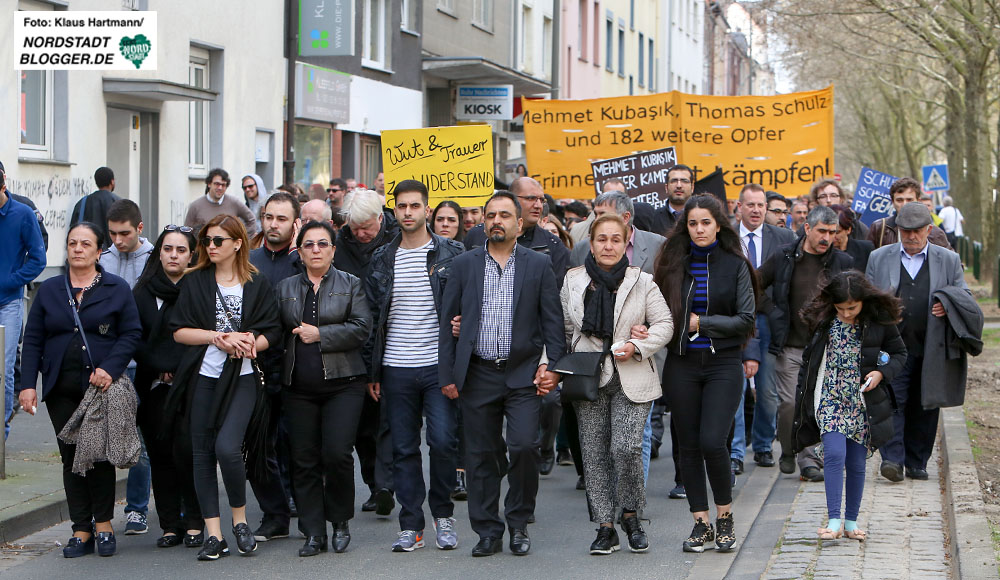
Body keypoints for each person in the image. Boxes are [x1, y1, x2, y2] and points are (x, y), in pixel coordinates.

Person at [438, 191, 565, 557]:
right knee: (480, 454)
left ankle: (519, 522)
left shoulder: (537, 265)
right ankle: (487, 531)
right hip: (478, 374)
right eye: (491, 215)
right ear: (483, 222)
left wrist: (553, 367)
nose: (497, 220)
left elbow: (552, 323)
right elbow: (448, 323)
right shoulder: (464, 265)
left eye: (505, 215)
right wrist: (448, 374)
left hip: (522, 373)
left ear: (519, 224)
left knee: (524, 446)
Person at [18, 222, 141, 557]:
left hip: (99, 388)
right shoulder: (50, 289)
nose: (77, 249)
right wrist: (27, 385)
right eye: (72, 243)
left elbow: (131, 333)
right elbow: (33, 339)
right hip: (60, 387)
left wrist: (110, 368)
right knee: (71, 457)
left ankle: (104, 524)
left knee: (97, 456)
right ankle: (81, 529)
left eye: (85, 244)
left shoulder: (116, 288)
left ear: (99, 251)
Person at [169, 214, 281, 560]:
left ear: (237, 243)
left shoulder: (256, 283)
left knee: (228, 448)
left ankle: (240, 521)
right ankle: (214, 535)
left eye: (218, 240)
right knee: (202, 452)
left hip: (243, 377)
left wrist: (251, 344)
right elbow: (179, 331)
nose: (211, 246)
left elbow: (272, 330)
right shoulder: (195, 281)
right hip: (204, 377)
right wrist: (217, 337)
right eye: (207, 241)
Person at [561, 214, 673, 555]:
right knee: (594, 453)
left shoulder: (643, 281)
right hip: (588, 376)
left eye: (615, 239)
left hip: (631, 374)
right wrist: (560, 364)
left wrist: (638, 343)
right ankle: (605, 528)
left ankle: (631, 515)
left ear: (625, 243)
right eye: (601, 239)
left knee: (625, 447)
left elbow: (664, 324)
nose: (608, 246)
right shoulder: (573, 280)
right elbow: (563, 329)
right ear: (591, 244)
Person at [652, 194, 759, 553]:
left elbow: (746, 320)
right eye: (693, 223)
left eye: (706, 223)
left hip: (723, 363)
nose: (699, 229)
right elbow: (658, 311)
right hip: (682, 363)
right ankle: (701, 522)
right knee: (688, 446)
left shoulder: (735, 264)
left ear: (718, 225)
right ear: (686, 227)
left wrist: (703, 323)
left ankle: (725, 516)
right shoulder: (671, 263)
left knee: (713, 441)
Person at [364, 180, 465, 552]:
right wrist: (373, 372)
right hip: (396, 366)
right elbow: (372, 318)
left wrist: (462, 325)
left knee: (443, 442)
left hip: (439, 366)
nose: (408, 212)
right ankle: (411, 525)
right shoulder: (381, 258)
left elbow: (470, 302)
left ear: (427, 210)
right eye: (402, 206)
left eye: (414, 206)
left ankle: (443, 515)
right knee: (403, 448)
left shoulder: (452, 253)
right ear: (394, 211)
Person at [866, 202, 982, 482]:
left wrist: (948, 304)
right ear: (898, 230)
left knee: (925, 404)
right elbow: (865, 296)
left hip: (931, 345)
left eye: (917, 231)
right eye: (905, 231)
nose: (911, 236)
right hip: (892, 346)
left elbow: (964, 296)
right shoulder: (879, 257)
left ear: (929, 230)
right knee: (892, 400)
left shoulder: (948, 259)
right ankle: (893, 460)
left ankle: (917, 461)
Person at [276, 220, 371, 556]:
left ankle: (340, 520)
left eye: (322, 244)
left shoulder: (351, 283)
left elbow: (362, 328)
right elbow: (274, 331)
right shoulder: (285, 288)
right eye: (309, 245)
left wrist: (320, 334)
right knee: (303, 459)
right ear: (299, 252)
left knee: (337, 454)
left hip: (344, 384)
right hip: (298, 388)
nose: (315, 250)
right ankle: (313, 532)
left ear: (333, 250)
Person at [793, 271, 907, 541]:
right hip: (829, 397)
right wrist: (804, 397)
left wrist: (881, 373)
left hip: (862, 400)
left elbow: (900, 353)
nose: (845, 313)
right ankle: (833, 521)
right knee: (834, 454)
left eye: (852, 308)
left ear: (863, 301)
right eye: (840, 308)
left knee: (856, 462)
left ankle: (851, 522)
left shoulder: (878, 321)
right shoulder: (823, 320)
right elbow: (810, 360)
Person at [757, 206, 853, 481]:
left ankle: (809, 460)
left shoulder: (842, 261)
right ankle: (788, 449)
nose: (827, 238)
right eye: (822, 231)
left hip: (826, 348)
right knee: (790, 403)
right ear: (808, 228)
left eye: (832, 232)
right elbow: (755, 282)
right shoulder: (784, 256)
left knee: (817, 404)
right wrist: (772, 311)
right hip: (790, 346)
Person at [132, 224, 204, 548]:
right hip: (154, 385)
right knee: (160, 456)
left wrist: (180, 369)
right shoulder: (143, 292)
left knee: (187, 452)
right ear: (158, 253)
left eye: (181, 250)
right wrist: (161, 367)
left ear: (192, 255)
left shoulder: (201, 289)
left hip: (192, 385)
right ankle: (170, 525)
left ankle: (195, 521)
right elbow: (134, 338)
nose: (173, 255)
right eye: (167, 249)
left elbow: (205, 336)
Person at [334, 189, 398, 516]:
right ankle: (375, 484)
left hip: (393, 338)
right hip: (354, 342)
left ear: (380, 218)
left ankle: (387, 483)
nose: (360, 234)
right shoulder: (339, 244)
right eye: (354, 227)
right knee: (362, 424)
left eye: (367, 227)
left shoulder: (398, 239)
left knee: (389, 419)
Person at [247, 192, 303, 542]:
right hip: (256, 365)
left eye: (282, 219)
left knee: (294, 440)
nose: (273, 224)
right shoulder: (249, 261)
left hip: (297, 364)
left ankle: (302, 503)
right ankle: (274, 512)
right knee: (260, 443)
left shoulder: (306, 259)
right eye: (269, 217)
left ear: (295, 224)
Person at [100, 198, 154, 534]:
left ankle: (136, 508)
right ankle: (102, 512)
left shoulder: (154, 259)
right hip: (109, 363)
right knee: (105, 438)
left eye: (125, 234)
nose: (118, 240)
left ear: (139, 228)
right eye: (113, 234)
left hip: (143, 361)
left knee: (140, 440)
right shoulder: (103, 259)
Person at [735, 185, 796, 474]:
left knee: (769, 391)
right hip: (735, 320)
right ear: (740, 207)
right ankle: (735, 450)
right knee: (735, 389)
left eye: (761, 205)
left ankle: (762, 444)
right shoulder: (725, 237)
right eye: (751, 205)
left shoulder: (784, 238)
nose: (757, 210)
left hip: (770, 321)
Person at [0, 164, 46, 439]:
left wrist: (10, 281)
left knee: (4, 368)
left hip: (9, 302)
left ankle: (2, 432)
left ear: (3, 186)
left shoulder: (22, 213)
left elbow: (38, 259)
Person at [464, 178, 570, 285]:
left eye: (541, 200)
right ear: (512, 199)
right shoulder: (476, 236)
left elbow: (555, 289)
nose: (538, 205)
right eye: (531, 198)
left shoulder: (552, 244)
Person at [867, 178, 951, 250]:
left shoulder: (935, 233)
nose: (904, 204)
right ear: (892, 202)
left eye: (909, 200)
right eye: (899, 200)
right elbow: (869, 260)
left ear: (918, 201)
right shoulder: (879, 228)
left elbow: (951, 261)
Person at [184, 168, 260, 237]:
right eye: (217, 184)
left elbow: (251, 220)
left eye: (223, 185)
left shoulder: (234, 203)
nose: (220, 188)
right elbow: (187, 231)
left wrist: (241, 238)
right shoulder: (195, 206)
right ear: (209, 184)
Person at [70, 166, 120, 249]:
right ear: (112, 182)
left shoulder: (83, 203)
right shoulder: (120, 203)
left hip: (88, 252)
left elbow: (73, 229)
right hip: (114, 253)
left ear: (96, 182)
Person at [650, 164, 695, 238]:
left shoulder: (700, 217)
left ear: (692, 187)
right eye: (674, 181)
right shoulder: (653, 219)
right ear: (666, 187)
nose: (679, 185)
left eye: (684, 181)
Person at [831, 205, 874, 273]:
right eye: (830, 232)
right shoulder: (822, 252)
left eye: (837, 232)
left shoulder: (865, 249)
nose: (832, 237)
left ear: (848, 230)